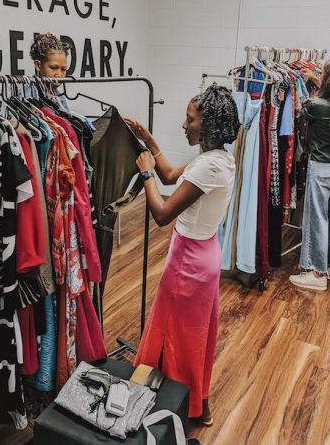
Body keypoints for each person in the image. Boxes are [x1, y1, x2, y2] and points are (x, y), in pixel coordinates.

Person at [125, 84, 240, 426]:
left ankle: (165, 403)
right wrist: (150, 142)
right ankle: (197, 405)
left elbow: (161, 214)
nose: (184, 124)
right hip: (200, 253)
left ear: (208, 125)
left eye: (190, 120)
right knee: (192, 334)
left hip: (189, 262)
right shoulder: (217, 158)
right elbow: (172, 174)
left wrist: (145, 172)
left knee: (181, 336)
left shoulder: (209, 167)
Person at [289, 58, 330, 291]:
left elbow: (303, 115)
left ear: (328, 79)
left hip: (322, 167)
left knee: (317, 219)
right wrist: (314, 77)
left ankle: (316, 274)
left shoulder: (315, 105)